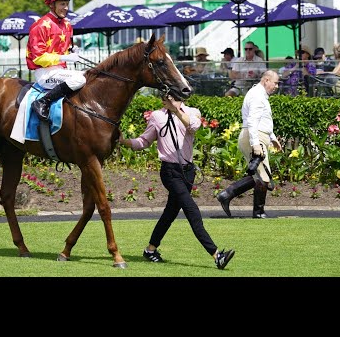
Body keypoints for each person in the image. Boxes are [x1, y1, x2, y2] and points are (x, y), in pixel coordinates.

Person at [118, 93, 235, 270]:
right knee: (191, 210)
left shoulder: (192, 112)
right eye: (164, 97)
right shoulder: (157, 116)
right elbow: (144, 141)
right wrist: (124, 141)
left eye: (170, 96)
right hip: (170, 171)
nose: (164, 99)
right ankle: (217, 255)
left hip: (188, 172)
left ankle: (150, 250)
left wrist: (177, 111)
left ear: (179, 97)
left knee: (170, 213)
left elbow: (194, 126)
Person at [217, 70, 282, 219]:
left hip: (257, 136)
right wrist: (256, 144)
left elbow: (262, 120)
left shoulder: (259, 95)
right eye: (275, 82)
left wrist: (272, 137)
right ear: (266, 80)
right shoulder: (258, 96)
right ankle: (258, 213)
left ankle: (226, 195)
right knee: (264, 178)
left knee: (259, 176)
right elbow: (252, 121)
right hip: (254, 137)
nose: (277, 86)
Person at [26, 0, 86, 122]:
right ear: (52, 5)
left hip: (61, 70)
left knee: (90, 75)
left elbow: (66, 46)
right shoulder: (40, 25)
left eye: (67, 4)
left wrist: (73, 50)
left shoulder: (67, 24)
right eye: (62, 4)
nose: (66, 8)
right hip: (45, 73)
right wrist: (66, 57)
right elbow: (38, 57)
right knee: (80, 79)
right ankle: (43, 101)